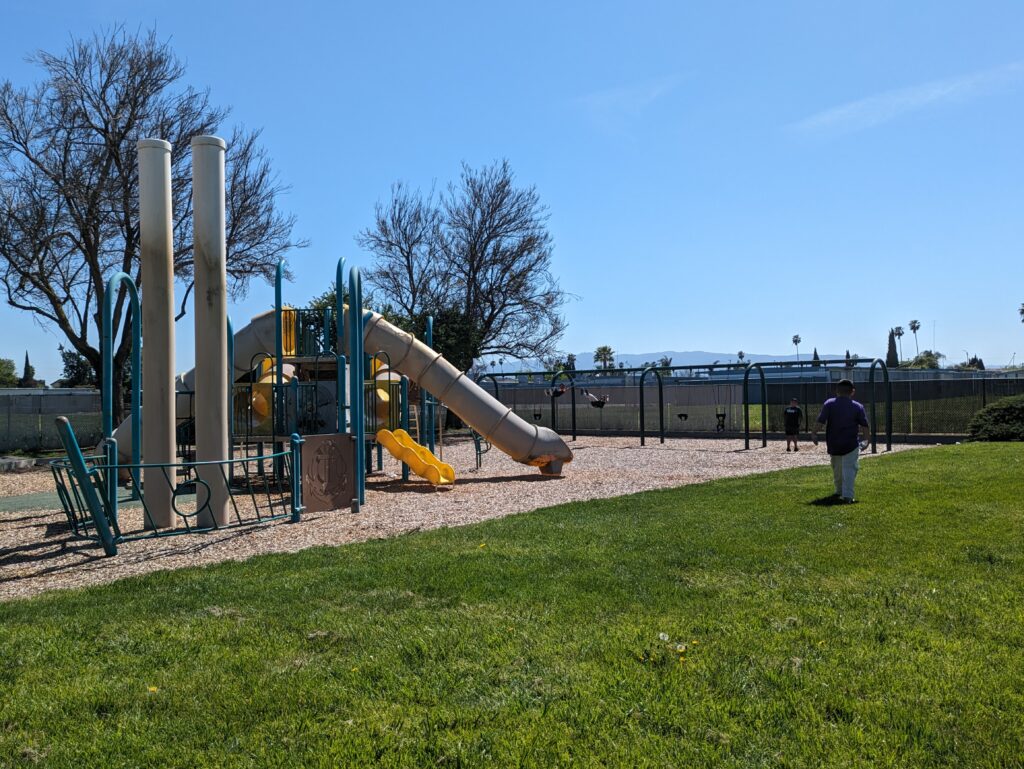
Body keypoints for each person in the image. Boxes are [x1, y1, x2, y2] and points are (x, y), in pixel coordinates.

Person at [811, 379, 870, 503]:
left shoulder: (829, 404)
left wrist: (814, 433)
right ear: (852, 392)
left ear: (836, 391)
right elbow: (864, 425)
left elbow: (821, 421)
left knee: (836, 468)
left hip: (833, 443)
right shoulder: (857, 406)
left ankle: (839, 490)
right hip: (850, 443)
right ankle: (847, 495)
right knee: (849, 468)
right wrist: (867, 439)